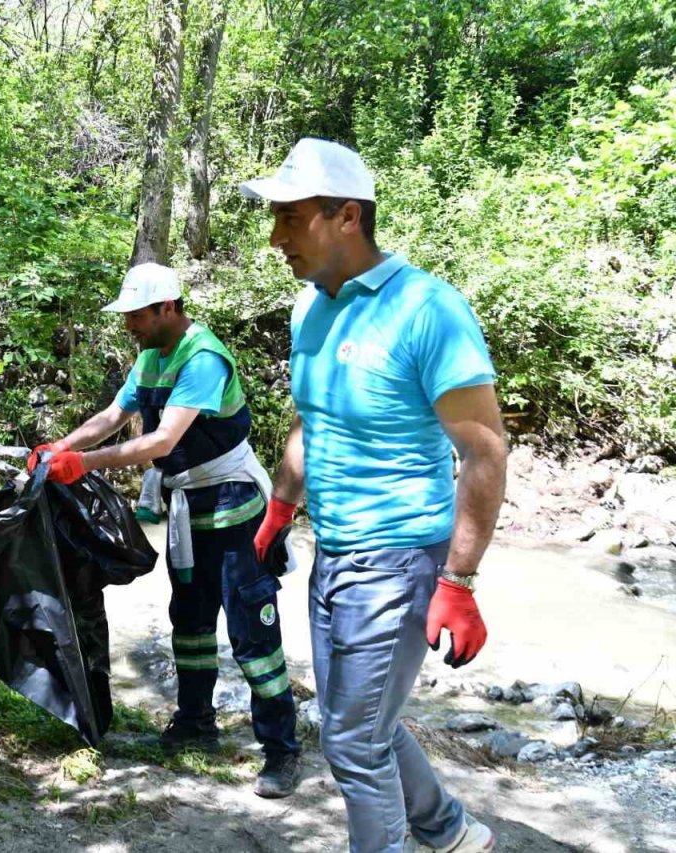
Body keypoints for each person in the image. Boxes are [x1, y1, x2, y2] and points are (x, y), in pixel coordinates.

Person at [240, 138, 507, 852]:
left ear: (347, 216)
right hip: (332, 552)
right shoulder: (310, 308)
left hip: (396, 559)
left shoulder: (428, 309)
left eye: (291, 219)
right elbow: (310, 418)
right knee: (358, 726)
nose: (276, 238)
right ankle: (448, 828)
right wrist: (280, 506)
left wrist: (459, 580)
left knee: (354, 745)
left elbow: (484, 449)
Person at [28, 263, 302, 798]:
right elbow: (113, 414)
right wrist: (61, 447)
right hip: (189, 508)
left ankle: (281, 750)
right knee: (191, 622)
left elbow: (161, 440)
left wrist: (85, 465)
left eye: (136, 314)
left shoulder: (202, 358)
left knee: (253, 633)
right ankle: (195, 725)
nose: (129, 324)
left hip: (233, 509)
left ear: (168, 308)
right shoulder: (151, 355)